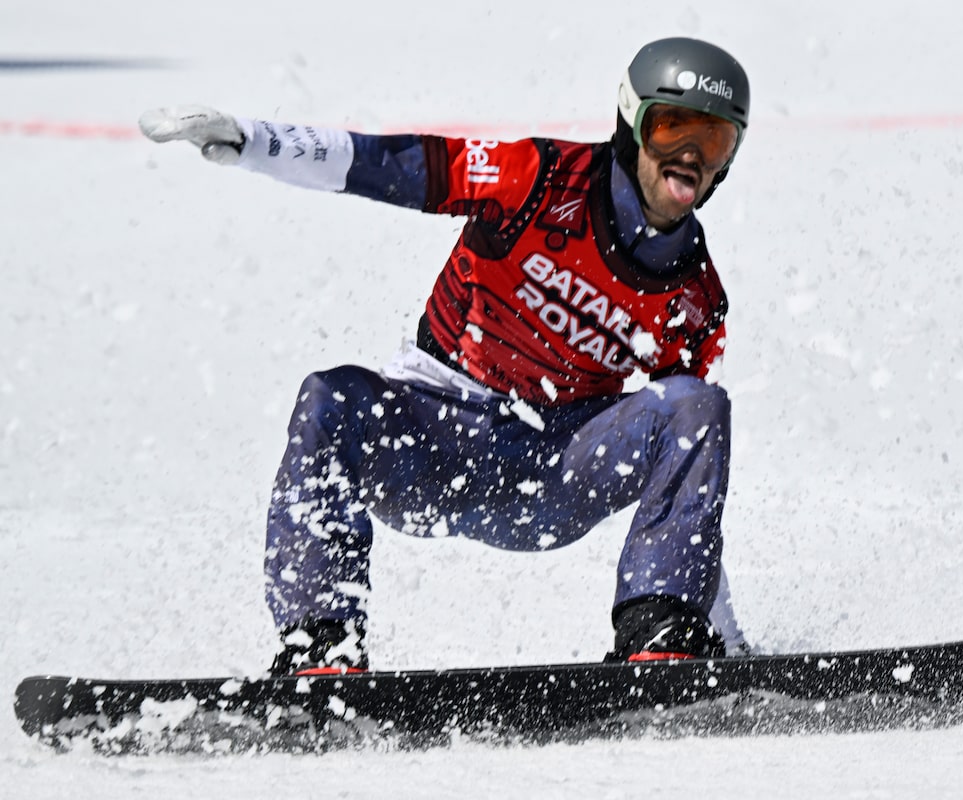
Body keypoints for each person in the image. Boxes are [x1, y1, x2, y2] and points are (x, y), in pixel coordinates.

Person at [140, 36, 752, 675]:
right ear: (630, 123)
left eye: (713, 142)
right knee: (331, 397)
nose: (689, 157)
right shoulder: (533, 180)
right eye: (671, 127)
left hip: (554, 475)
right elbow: (388, 165)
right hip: (436, 446)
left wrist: (717, 637)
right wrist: (252, 141)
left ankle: (663, 637)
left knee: (698, 405)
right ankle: (320, 649)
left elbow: (684, 482)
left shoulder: (694, 292)